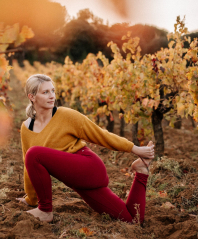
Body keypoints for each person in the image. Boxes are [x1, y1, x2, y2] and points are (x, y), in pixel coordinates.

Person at [16, 74, 155, 223]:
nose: (52, 96)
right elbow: (28, 166)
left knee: (34, 153)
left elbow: (101, 135)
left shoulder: (67, 115)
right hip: (76, 180)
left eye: (53, 91)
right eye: (45, 92)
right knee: (131, 219)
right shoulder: (26, 128)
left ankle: (45, 210)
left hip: (88, 168)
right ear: (32, 97)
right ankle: (141, 171)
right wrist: (31, 199)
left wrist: (134, 149)